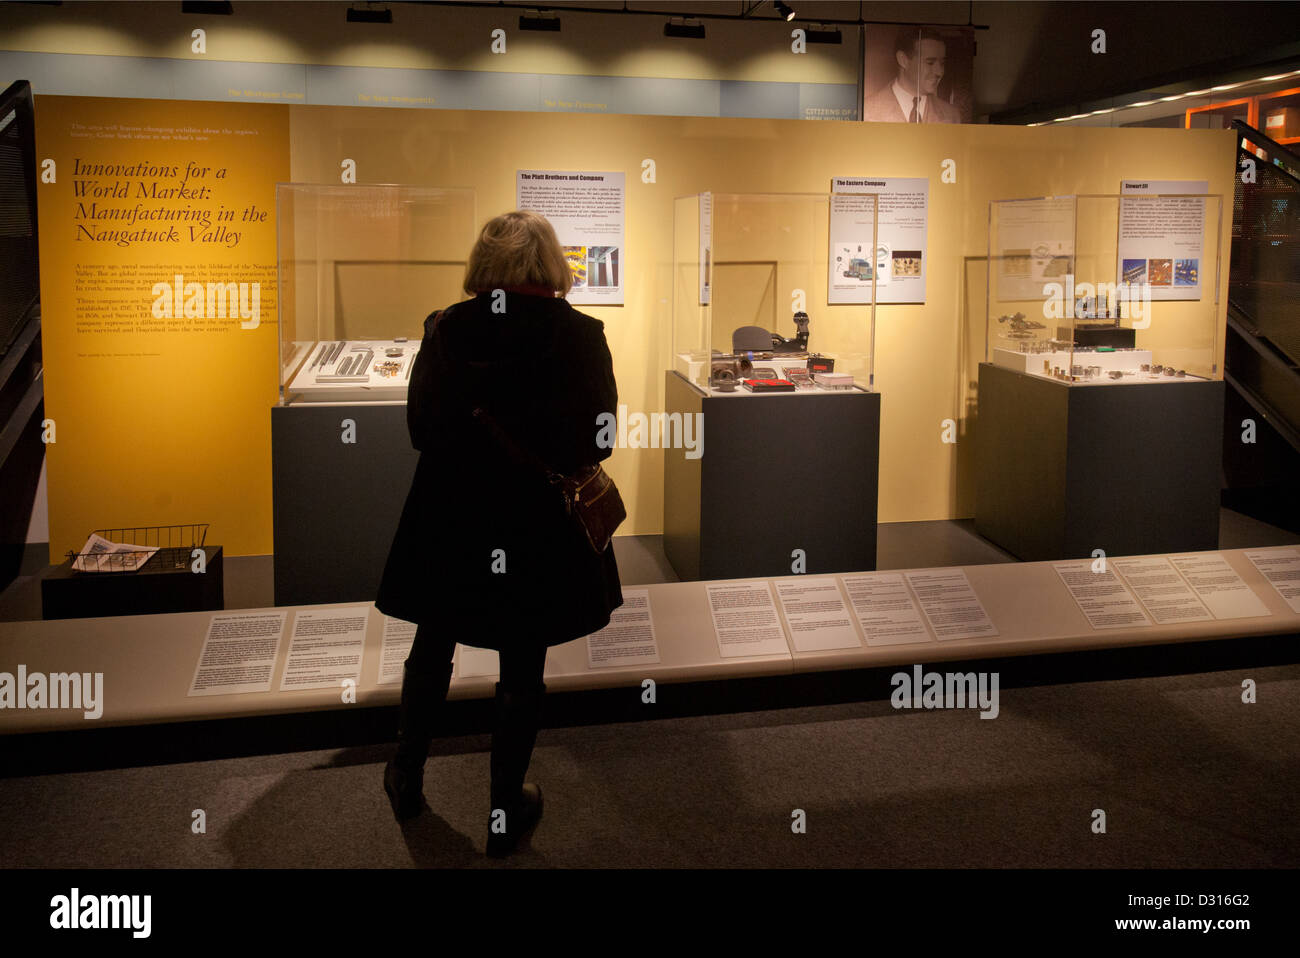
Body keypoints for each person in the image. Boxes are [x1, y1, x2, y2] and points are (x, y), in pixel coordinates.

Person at [375, 210, 623, 857]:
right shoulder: (580, 334)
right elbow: (600, 440)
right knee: (523, 658)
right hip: (536, 521)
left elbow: (421, 431)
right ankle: (505, 810)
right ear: (549, 262)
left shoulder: (448, 328)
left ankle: (405, 774)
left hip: (451, 512)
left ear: (482, 264)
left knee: (434, 640)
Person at [862, 27, 961, 124]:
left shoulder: (952, 115)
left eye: (942, 63)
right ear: (903, 60)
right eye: (930, 62)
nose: (939, 72)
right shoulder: (866, 110)